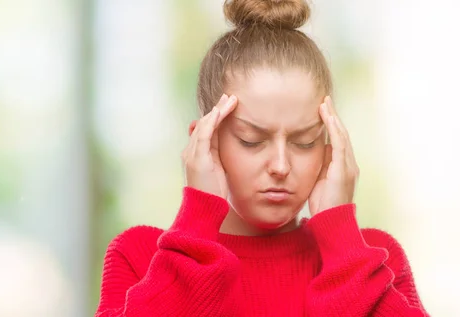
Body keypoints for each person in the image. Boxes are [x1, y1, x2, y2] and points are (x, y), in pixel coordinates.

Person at [95, 0, 429, 316]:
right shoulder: (140, 257)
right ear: (204, 142)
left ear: (331, 148)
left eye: (305, 142)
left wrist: (343, 241)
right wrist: (197, 223)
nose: (281, 166)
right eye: (251, 141)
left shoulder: (372, 261)